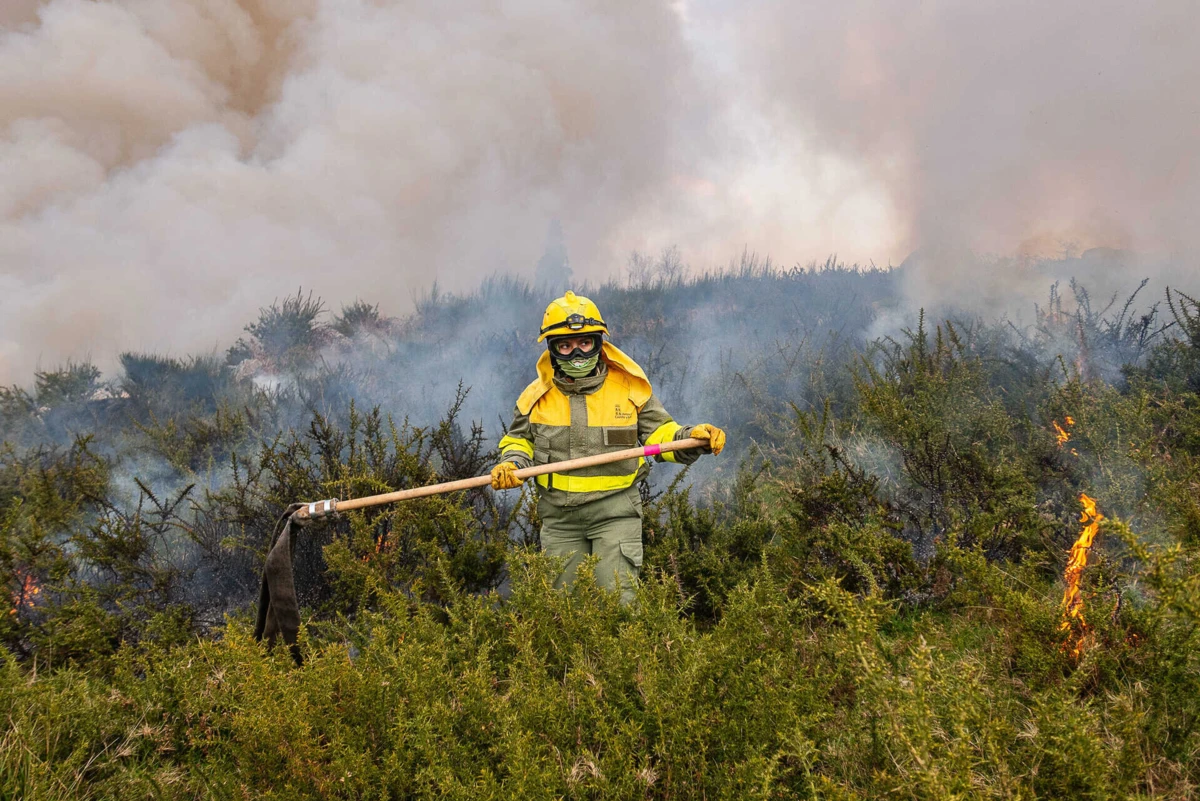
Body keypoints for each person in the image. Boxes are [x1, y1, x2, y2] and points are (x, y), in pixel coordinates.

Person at [490, 290, 725, 603]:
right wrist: (512, 465)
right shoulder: (535, 398)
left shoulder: (629, 388)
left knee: (619, 604)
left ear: (599, 342)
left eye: (585, 343)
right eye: (566, 346)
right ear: (553, 349)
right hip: (560, 521)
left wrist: (692, 438)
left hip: (616, 514)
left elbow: (660, 433)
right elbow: (518, 441)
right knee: (563, 611)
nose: (577, 355)